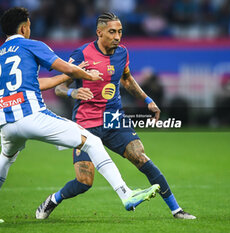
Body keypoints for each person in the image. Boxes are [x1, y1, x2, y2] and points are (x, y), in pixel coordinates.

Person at [0, 7, 159, 224]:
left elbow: (38, 83)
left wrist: (71, 75)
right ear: (25, 27)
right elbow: (67, 69)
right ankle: (126, 193)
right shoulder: (32, 45)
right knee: (91, 140)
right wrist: (86, 73)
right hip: (32, 115)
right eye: (30, 26)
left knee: (5, 159)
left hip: (6, 120)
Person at [35, 12, 196, 220]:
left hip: (114, 120)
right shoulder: (82, 54)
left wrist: (148, 100)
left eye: (120, 31)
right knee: (84, 182)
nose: (117, 36)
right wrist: (72, 92)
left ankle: (177, 210)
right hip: (85, 124)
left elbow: (127, 80)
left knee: (141, 157)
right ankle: (54, 199)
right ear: (99, 32)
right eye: (112, 32)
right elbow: (60, 86)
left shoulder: (122, 53)